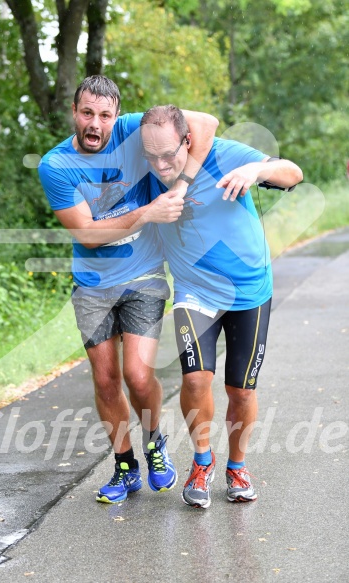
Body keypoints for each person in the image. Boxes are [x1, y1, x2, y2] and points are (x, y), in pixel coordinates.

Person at [38, 76, 218, 504]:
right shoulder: (55, 165)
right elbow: (87, 235)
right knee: (105, 380)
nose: (95, 124)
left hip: (144, 277)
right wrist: (150, 211)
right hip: (93, 284)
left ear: (117, 114)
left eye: (104, 115)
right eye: (86, 113)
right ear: (74, 112)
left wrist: (181, 187)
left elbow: (206, 123)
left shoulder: (135, 129)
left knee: (138, 376)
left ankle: (154, 442)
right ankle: (125, 467)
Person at [140, 105, 303, 508]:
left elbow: (293, 173)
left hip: (250, 289)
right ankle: (201, 461)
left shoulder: (224, 153)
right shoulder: (145, 172)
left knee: (241, 391)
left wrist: (257, 171)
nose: (161, 165)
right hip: (195, 290)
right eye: (152, 156)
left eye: (169, 155)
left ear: (189, 140)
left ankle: (237, 466)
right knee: (195, 380)